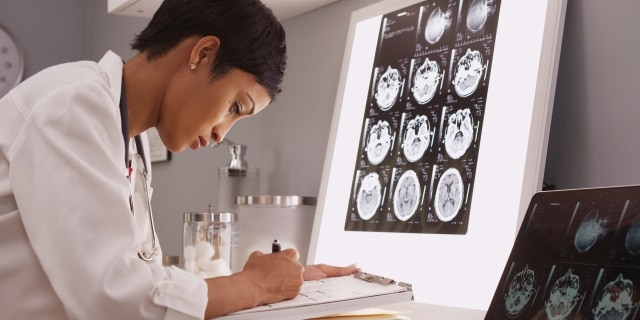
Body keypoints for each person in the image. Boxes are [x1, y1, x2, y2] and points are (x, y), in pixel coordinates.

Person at [0, 0, 357, 319]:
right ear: (202, 54)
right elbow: (113, 301)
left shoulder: (129, 140)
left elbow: (143, 285)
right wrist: (256, 286)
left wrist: (285, 286)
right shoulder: (72, 105)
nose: (221, 133)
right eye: (234, 107)